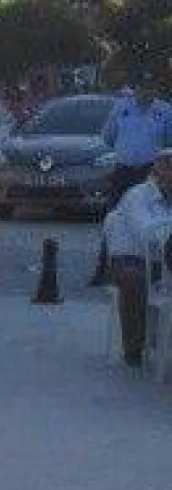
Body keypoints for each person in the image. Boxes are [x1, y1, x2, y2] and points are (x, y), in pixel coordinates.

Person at [89, 80, 172, 286]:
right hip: (124, 171)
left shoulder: (164, 111)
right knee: (114, 219)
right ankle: (105, 270)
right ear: (136, 88)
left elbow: (169, 143)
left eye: (151, 86)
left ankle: (153, 268)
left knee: (154, 218)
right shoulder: (121, 108)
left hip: (152, 171)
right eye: (143, 85)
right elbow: (108, 137)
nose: (147, 90)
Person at [103, 147, 172, 368]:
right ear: (158, 169)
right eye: (168, 166)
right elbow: (145, 234)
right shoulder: (137, 195)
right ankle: (135, 346)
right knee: (135, 279)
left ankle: (163, 342)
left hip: (164, 260)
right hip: (129, 258)